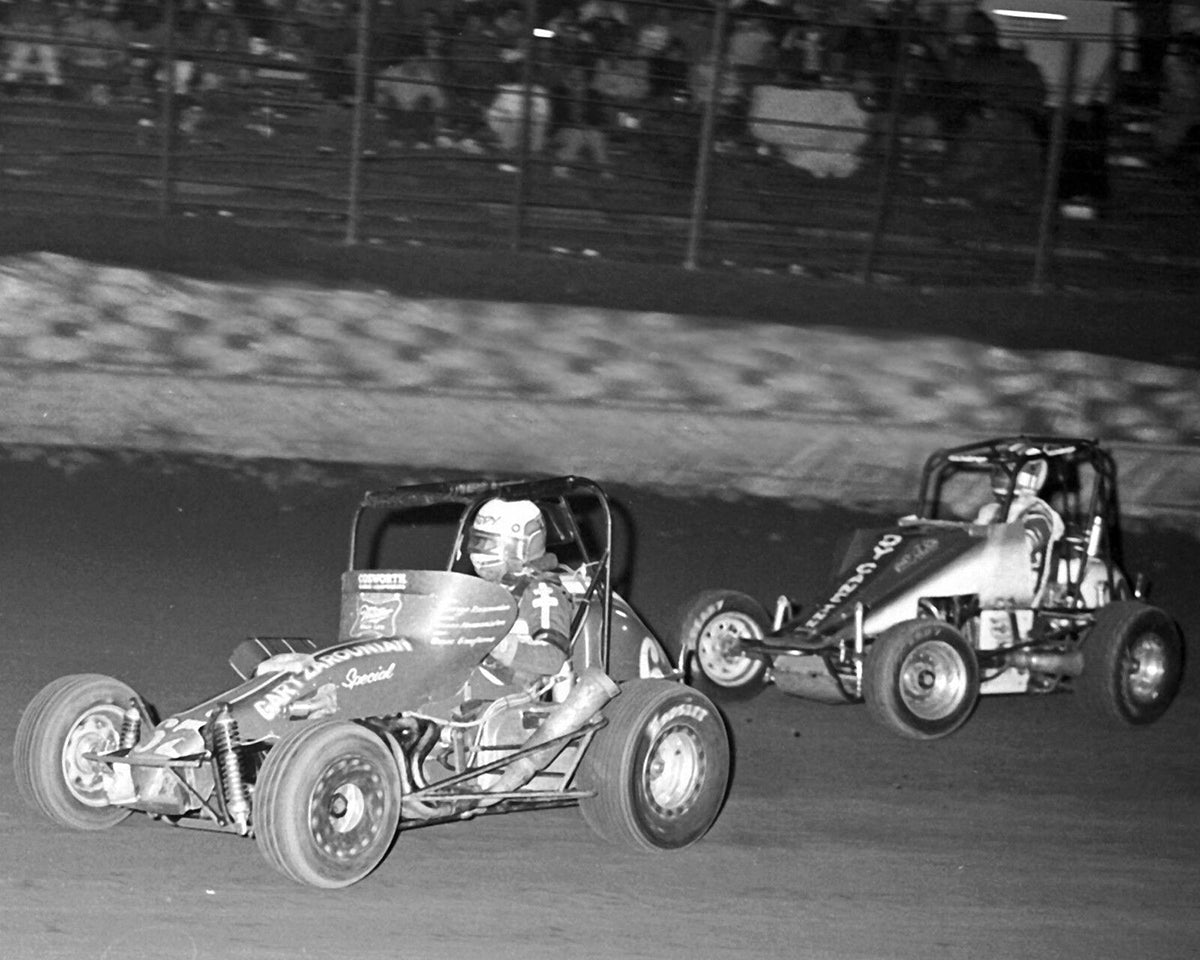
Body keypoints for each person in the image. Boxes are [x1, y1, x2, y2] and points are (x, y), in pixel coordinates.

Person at [467, 499, 575, 691]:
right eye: (478, 541)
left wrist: (499, 646)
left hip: (511, 697)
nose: (479, 552)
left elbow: (553, 657)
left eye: (489, 543)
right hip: (470, 681)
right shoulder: (481, 591)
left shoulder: (542, 590)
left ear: (521, 546)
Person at [975, 456, 1064, 591]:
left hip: (1024, 589)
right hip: (991, 581)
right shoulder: (990, 511)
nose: (999, 474)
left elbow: (1021, 546)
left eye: (1005, 469)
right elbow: (968, 541)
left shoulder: (1039, 513)